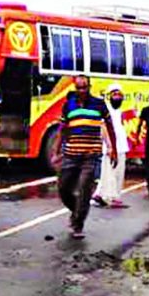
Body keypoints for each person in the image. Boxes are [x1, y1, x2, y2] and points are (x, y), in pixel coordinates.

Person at [51, 75, 117, 240]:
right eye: (78, 88)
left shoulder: (99, 105)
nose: (81, 91)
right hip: (71, 155)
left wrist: (113, 149)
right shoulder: (68, 106)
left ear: (90, 87)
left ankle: (78, 224)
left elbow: (110, 127)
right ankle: (77, 210)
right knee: (63, 188)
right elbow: (62, 130)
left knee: (84, 189)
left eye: (84, 87)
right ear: (74, 88)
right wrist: (55, 152)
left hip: (91, 155)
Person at [92, 83, 130, 209]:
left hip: (120, 146)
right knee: (110, 173)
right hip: (111, 147)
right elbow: (103, 128)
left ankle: (100, 195)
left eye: (119, 95)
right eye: (114, 94)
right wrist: (109, 146)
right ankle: (110, 197)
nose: (117, 97)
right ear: (109, 96)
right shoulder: (106, 110)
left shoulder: (118, 111)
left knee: (115, 173)